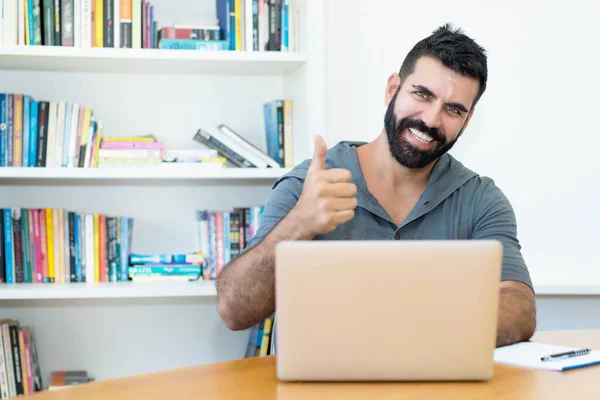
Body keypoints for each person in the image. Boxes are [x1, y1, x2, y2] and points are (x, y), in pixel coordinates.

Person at [216, 23, 536, 351]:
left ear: (466, 123)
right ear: (392, 89)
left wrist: (416, 325)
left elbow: (519, 306)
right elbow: (234, 311)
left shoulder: (481, 199)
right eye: (422, 94)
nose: (431, 119)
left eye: (453, 110)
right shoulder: (313, 184)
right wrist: (300, 224)